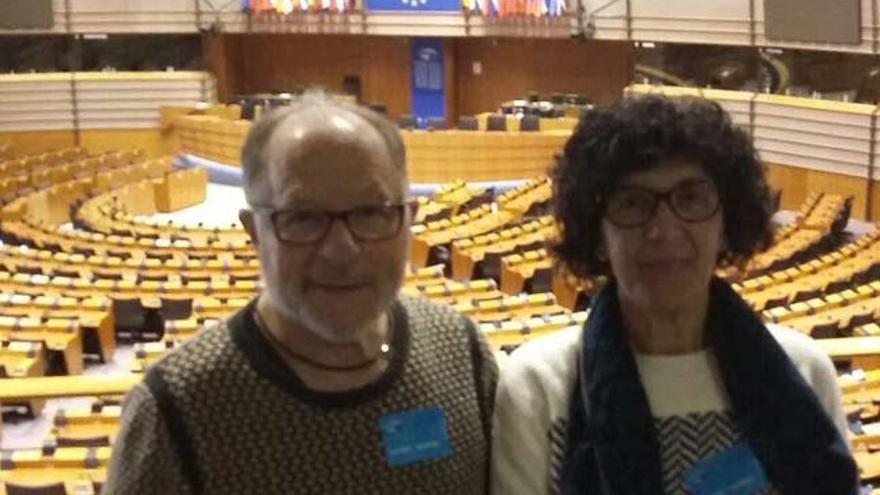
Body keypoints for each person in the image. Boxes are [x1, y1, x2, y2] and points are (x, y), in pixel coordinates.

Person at [105, 94, 498, 494]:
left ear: (409, 221)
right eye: (303, 217)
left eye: (370, 213)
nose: (342, 250)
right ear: (254, 232)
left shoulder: (461, 350)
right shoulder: (175, 410)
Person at [491, 95, 858, 495]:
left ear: (726, 223)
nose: (664, 230)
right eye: (633, 204)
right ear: (597, 236)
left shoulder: (805, 372)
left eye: (690, 198)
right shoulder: (539, 387)